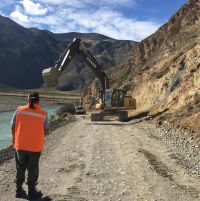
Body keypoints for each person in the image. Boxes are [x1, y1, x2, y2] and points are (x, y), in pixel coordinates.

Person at [11, 92, 49, 199]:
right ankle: (32, 191)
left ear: (28, 100)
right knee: (32, 169)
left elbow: (12, 126)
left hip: (20, 145)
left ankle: (18, 191)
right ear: (38, 101)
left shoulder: (19, 110)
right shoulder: (43, 113)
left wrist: (14, 139)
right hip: (35, 146)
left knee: (20, 167)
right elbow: (46, 131)